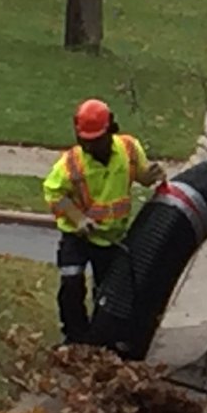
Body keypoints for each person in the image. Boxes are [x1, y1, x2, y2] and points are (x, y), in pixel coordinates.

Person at [42, 98, 165, 345]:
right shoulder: (71, 164)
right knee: (71, 282)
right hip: (77, 236)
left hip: (111, 238)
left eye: (95, 140)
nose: (90, 146)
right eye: (85, 141)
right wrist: (78, 218)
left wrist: (151, 174)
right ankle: (75, 338)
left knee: (108, 292)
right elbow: (53, 193)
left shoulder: (129, 150)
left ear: (110, 131)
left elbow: (141, 175)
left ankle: (102, 339)